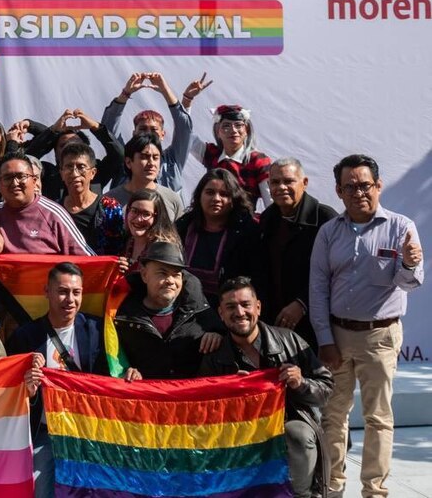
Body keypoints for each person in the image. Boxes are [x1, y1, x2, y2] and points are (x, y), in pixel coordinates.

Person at [310, 154, 423, 498]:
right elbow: (318, 287)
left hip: (381, 336)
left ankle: (374, 490)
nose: (359, 192)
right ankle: (332, 488)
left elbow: (411, 282)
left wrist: (408, 263)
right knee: (334, 415)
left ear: (378, 186)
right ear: (339, 192)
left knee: (378, 417)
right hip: (338, 336)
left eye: (365, 185)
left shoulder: (401, 226)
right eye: (350, 187)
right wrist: (325, 339)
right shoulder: (329, 232)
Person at [6, 262, 139, 498]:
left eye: (76, 292)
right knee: (38, 492)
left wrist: (130, 374)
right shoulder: (25, 337)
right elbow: (10, 394)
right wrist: (29, 389)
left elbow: (116, 374)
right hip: (45, 434)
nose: (70, 299)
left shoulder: (99, 331)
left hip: (92, 433)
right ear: (46, 292)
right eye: (62, 291)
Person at [200, 277, 333, 498]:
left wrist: (301, 384)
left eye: (245, 305)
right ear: (221, 313)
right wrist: (231, 392)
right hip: (237, 432)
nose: (240, 312)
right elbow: (202, 411)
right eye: (231, 307)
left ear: (258, 307)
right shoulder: (214, 354)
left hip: (287, 423)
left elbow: (327, 390)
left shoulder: (290, 341)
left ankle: (303, 495)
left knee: (297, 434)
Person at [258, 158, 337, 349]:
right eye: (275, 182)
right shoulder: (268, 218)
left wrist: (302, 304)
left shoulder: (326, 219)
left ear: (305, 183)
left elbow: (336, 272)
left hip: (317, 325)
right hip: (275, 323)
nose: (281, 187)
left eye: (288, 181)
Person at [114, 241, 222, 379]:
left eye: (176, 274)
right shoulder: (121, 317)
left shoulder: (199, 313)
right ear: (144, 275)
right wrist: (125, 370)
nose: (170, 280)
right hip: (144, 397)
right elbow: (111, 358)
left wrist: (217, 335)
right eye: (162, 273)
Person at [175, 168, 261, 303]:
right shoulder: (184, 226)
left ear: (234, 199)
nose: (216, 199)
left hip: (228, 308)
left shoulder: (247, 232)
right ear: (199, 195)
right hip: (183, 303)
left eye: (224, 194)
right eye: (210, 192)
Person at [102, 72, 196, 192]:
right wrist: (125, 93)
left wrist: (165, 90)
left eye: (154, 129)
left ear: (163, 135)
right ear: (134, 133)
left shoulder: (173, 159)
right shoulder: (123, 159)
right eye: (142, 129)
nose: (148, 133)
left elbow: (184, 127)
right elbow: (107, 130)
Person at [0, 154, 93, 255]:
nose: (15, 183)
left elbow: (88, 259)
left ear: (34, 181)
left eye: (21, 176)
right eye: (7, 178)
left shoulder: (53, 214)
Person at [20, 107, 124, 199]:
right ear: (55, 152)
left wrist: (96, 127)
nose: (70, 148)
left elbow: (118, 155)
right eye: (63, 145)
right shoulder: (47, 172)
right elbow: (24, 161)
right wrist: (53, 130)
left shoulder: (97, 171)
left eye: (76, 144)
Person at [189, 103, 272, 207]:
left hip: (244, 220)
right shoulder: (212, 154)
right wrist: (187, 101)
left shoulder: (258, 160)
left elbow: (270, 201)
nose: (233, 130)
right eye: (226, 125)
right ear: (218, 131)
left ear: (246, 130)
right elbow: (185, 135)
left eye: (238, 125)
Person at [58, 142, 126, 255]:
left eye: (81, 167)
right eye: (69, 167)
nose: (75, 174)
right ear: (62, 174)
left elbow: (118, 249)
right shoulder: (55, 210)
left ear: (93, 173)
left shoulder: (109, 207)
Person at [106, 132, 184, 221]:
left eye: (155, 158)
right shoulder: (110, 200)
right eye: (144, 157)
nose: (151, 163)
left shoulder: (172, 199)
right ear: (128, 162)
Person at [119, 189, 181, 274]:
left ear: (157, 217)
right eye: (134, 211)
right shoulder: (124, 239)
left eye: (146, 214)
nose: (139, 219)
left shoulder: (163, 247)